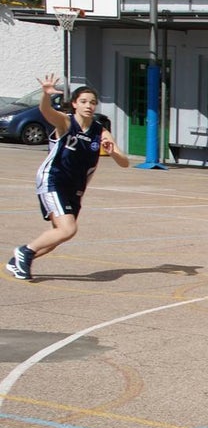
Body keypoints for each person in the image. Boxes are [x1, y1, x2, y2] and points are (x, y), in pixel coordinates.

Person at [7, 74, 130, 281]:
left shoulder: (100, 132)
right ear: (74, 104)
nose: (88, 106)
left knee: (56, 237)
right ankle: (25, 251)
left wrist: (113, 152)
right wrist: (46, 95)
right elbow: (45, 111)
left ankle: (18, 261)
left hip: (75, 189)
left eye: (92, 102)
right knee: (68, 228)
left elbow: (124, 162)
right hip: (53, 180)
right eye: (83, 102)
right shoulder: (65, 122)